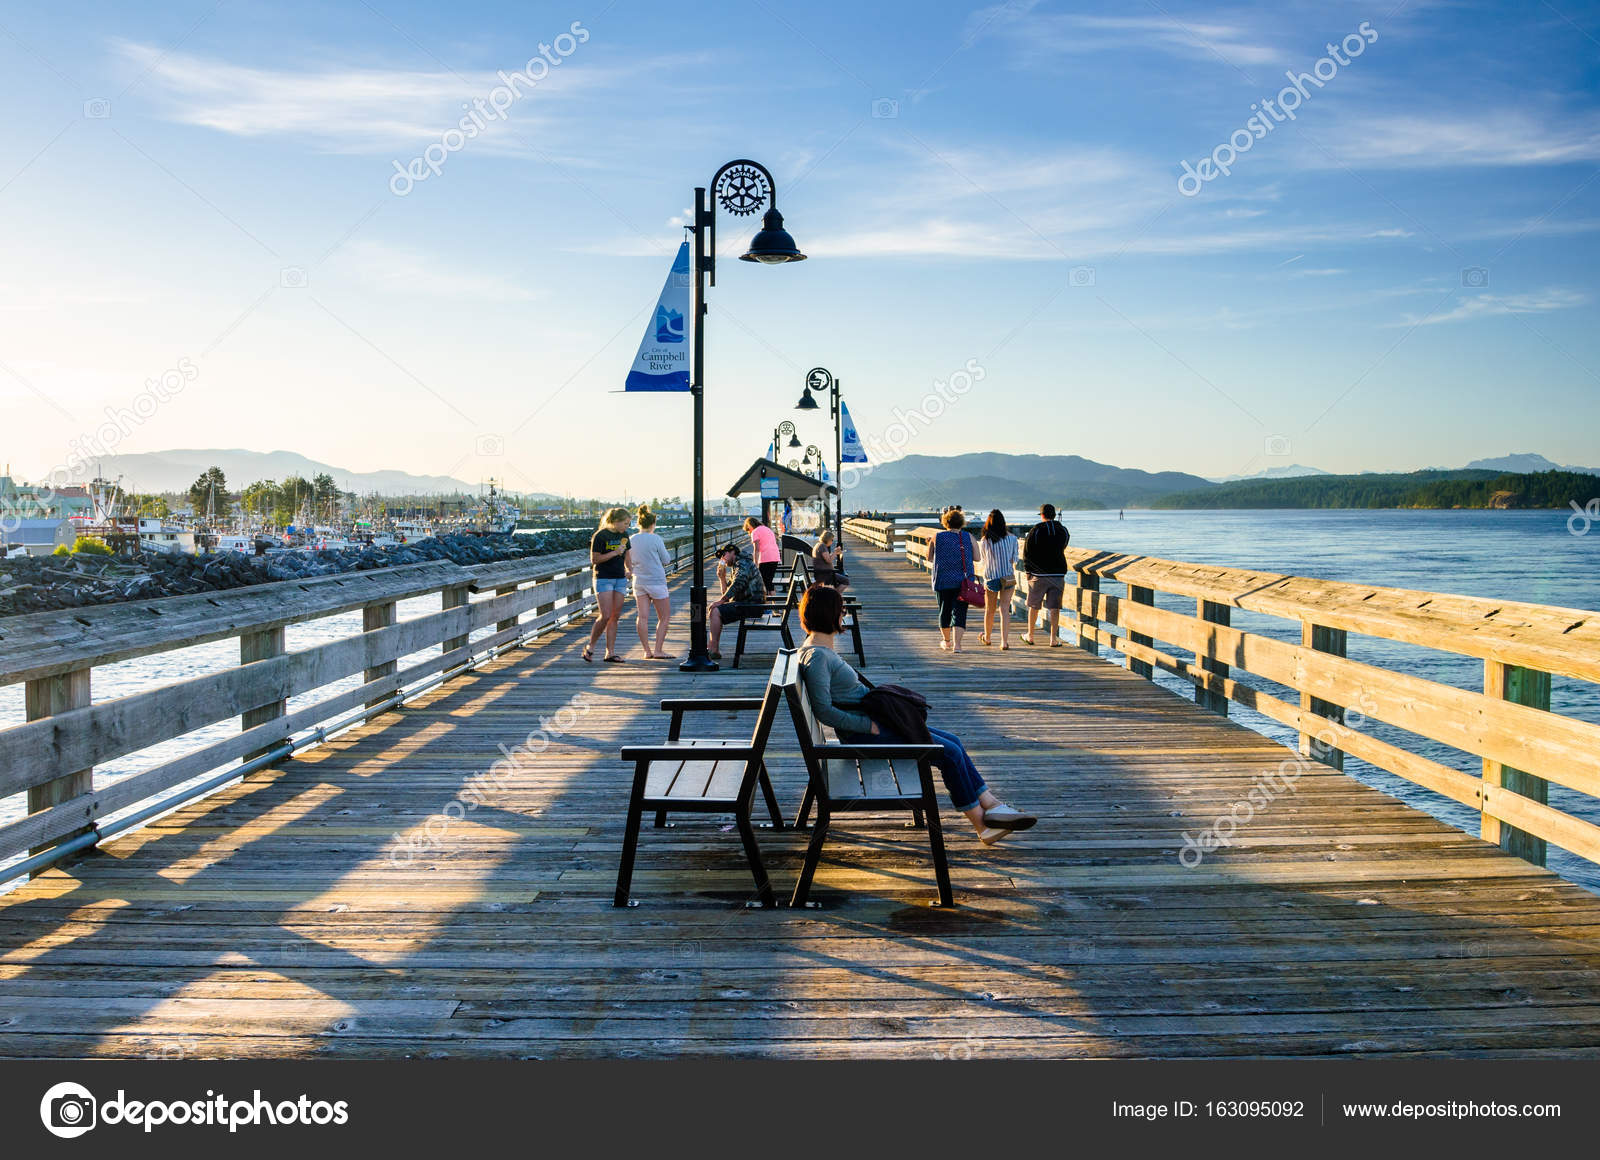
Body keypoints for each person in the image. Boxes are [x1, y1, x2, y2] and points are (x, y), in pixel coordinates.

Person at [796, 585, 1036, 845]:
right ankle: (981, 824)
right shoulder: (817, 657)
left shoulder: (818, 649)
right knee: (949, 754)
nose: (843, 615)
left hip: (871, 726)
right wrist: (869, 726)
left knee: (952, 741)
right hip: (864, 735)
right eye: (841, 610)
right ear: (829, 613)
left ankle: (992, 805)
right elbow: (823, 711)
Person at [584, 507, 631, 663]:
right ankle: (590, 647)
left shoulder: (624, 535)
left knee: (615, 616)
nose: (627, 526)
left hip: (620, 578)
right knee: (605, 615)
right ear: (615, 521)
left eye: (629, 523)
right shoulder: (600, 535)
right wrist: (614, 552)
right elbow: (594, 559)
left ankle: (610, 653)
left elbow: (627, 555)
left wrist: (629, 569)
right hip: (603, 578)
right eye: (625, 523)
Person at [1020, 502, 1070, 646]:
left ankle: (1030, 635)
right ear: (1054, 515)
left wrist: (1027, 570)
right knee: (1054, 607)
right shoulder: (1063, 530)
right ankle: (1053, 638)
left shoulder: (1035, 530)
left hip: (1038, 574)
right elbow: (1064, 546)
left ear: (1042, 515)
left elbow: (1027, 552)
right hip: (1058, 573)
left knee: (1034, 605)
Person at [708, 541, 768, 659]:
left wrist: (720, 601)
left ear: (732, 552)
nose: (722, 558)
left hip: (753, 605)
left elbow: (739, 582)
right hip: (749, 603)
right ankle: (712, 648)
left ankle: (713, 648)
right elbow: (728, 594)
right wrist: (722, 578)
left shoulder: (743, 562)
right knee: (715, 610)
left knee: (715, 611)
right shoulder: (737, 565)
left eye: (724, 554)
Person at [627, 505, 672, 659]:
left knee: (642, 617)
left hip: (639, 581)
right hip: (656, 580)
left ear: (639, 523)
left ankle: (646, 651)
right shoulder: (656, 538)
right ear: (653, 524)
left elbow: (628, 561)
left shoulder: (631, 539)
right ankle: (658, 650)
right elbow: (666, 560)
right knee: (664, 617)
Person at [929, 507, 977, 652]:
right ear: (961, 522)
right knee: (960, 611)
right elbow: (978, 557)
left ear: (945, 522)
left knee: (945, 611)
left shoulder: (937, 536)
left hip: (943, 580)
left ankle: (946, 641)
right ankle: (958, 645)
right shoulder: (968, 537)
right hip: (963, 581)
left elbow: (929, 557)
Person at [975, 509, 1018, 649]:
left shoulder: (984, 540)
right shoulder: (1012, 538)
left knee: (990, 610)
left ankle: (987, 638)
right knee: (1005, 609)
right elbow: (1014, 559)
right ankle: (1004, 642)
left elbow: (983, 560)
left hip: (991, 577)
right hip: (1007, 577)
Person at [746, 516, 781, 592]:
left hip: (765, 558)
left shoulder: (755, 532)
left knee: (764, 582)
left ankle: (767, 602)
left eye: (748, 529)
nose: (749, 532)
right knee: (769, 581)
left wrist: (755, 564)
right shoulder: (767, 529)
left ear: (750, 526)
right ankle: (772, 602)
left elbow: (757, 549)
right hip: (775, 557)